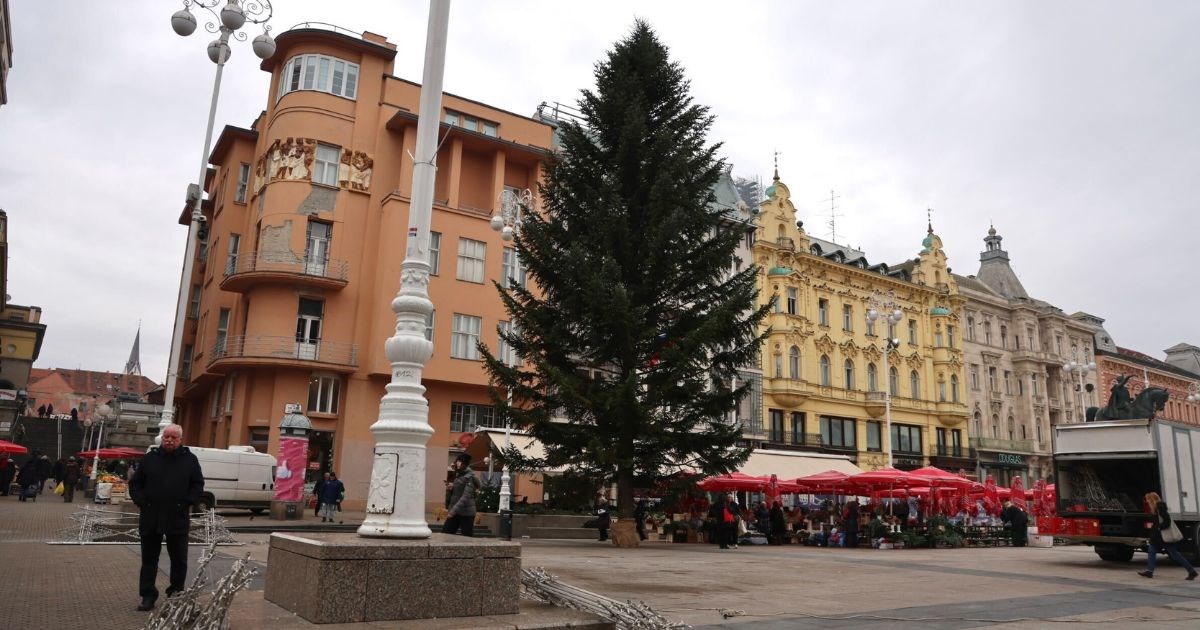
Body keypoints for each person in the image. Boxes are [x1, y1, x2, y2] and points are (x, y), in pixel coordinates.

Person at [129, 424, 205, 612]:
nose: (169, 440)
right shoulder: (150, 459)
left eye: (173, 437)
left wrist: (188, 502)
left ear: (180, 439)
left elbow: (198, 485)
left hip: (177, 518)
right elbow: (135, 483)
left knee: (179, 559)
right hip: (150, 517)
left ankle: (175, 594)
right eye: (166, 437)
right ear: (162, 438)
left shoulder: (190, 460)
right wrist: (142, 502)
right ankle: (148, 595)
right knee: (149, 560)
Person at [1138, 491, 1198, 580]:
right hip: (1160, 536)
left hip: (1162, 536)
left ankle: (1191, 571)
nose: (1147, 502)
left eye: (1148, 500)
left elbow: (1167, 521)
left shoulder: (1160, 508)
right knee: (1166, 553)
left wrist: (1158, 528)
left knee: (1172, 554)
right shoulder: (1157, 508)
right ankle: (1191, 571)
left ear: (1152, 500)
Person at [442, 453, 481, 537]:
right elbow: (458, 491)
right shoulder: (459, 474)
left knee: (467, 538)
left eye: (460, 461)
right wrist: (452, 488)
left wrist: (452, 512)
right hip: (456, 511)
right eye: (457, 461)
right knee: (445, 534)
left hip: (466, 513)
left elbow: (465, 497)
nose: (457, 463)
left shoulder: (469, 477)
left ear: (465, 464)